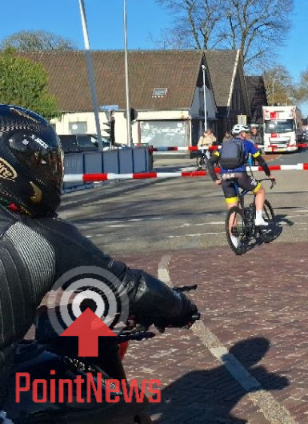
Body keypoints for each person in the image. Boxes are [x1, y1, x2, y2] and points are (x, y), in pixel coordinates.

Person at [0, 105, 199, 402]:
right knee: (86, 392)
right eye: (42, 163)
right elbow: (130, 287)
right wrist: (182, 308)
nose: (51, 172)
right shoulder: (38, 234)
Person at [210, 124, 275, 230]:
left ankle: (233, 238)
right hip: (240, 176)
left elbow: (210, 162)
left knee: (233, 209)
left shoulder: (224, 146)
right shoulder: (247, 144)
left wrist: (215, 179)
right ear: (242, 134)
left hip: (225, 177)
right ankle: (258, 218)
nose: (247, 135)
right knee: (260, 191)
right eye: (246, 133)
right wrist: (269, 174)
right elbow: (261, 161)